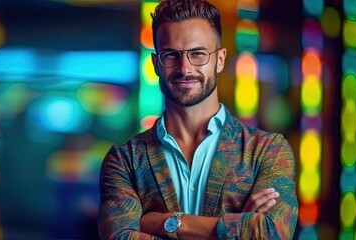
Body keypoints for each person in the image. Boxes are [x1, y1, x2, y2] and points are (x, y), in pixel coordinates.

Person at [97, 0, 298, 239]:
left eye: (198, 54)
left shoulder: (268, 151)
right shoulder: (125, 161)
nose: (185, 68)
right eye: (171, 55)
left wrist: (166, 223)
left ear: (220, 60)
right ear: (155, 64)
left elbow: (271, 232)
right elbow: (119, 237)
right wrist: (235, 229)